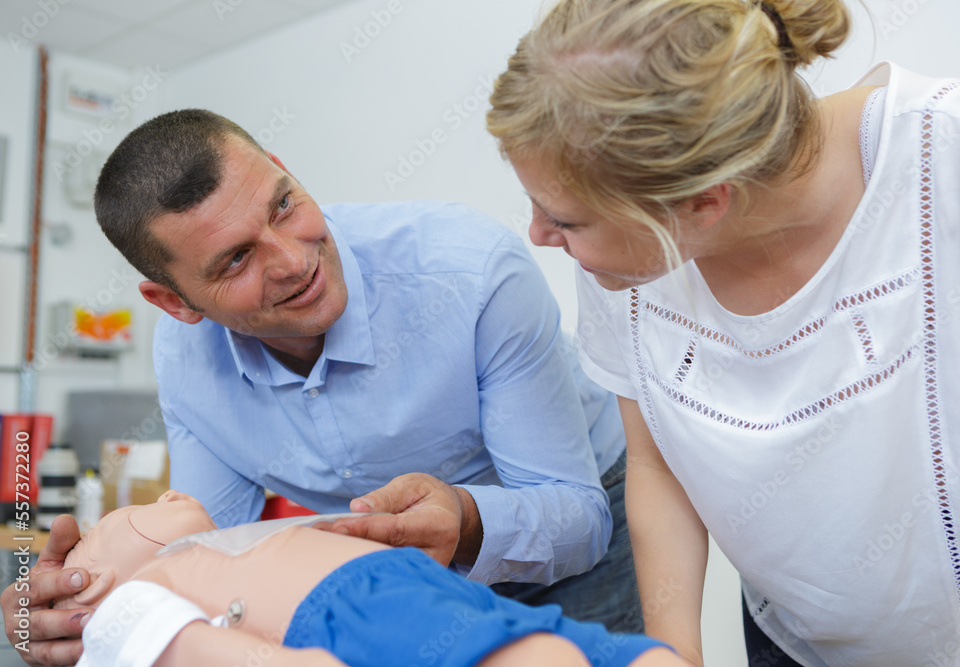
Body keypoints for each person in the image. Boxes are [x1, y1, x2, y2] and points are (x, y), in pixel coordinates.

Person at [1, 110, 640, 666]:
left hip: (570, 521)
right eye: (235, 260)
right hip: (394, 577)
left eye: (283, 204)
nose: (293, 260)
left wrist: (468, 521)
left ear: (282, 168)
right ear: (174, 301)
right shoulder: (188, 361)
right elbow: (202, 552)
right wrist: (61, 616)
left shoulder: (468, 272)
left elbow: (577, 520)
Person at [486, 0, 960, 666]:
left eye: (568, 221)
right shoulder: (629, 257)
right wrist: (673, 652)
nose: (539, 235)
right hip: (788, 638)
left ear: (703, 203)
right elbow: (654, 462)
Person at [58, 491, 685, 667]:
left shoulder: (208, 549)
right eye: (105, 523)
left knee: (576, 643)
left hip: (411, 586)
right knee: (529, 651)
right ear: (91, 580)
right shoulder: (130, 606)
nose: (169, 491)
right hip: (346, 614)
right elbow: (204, 652)